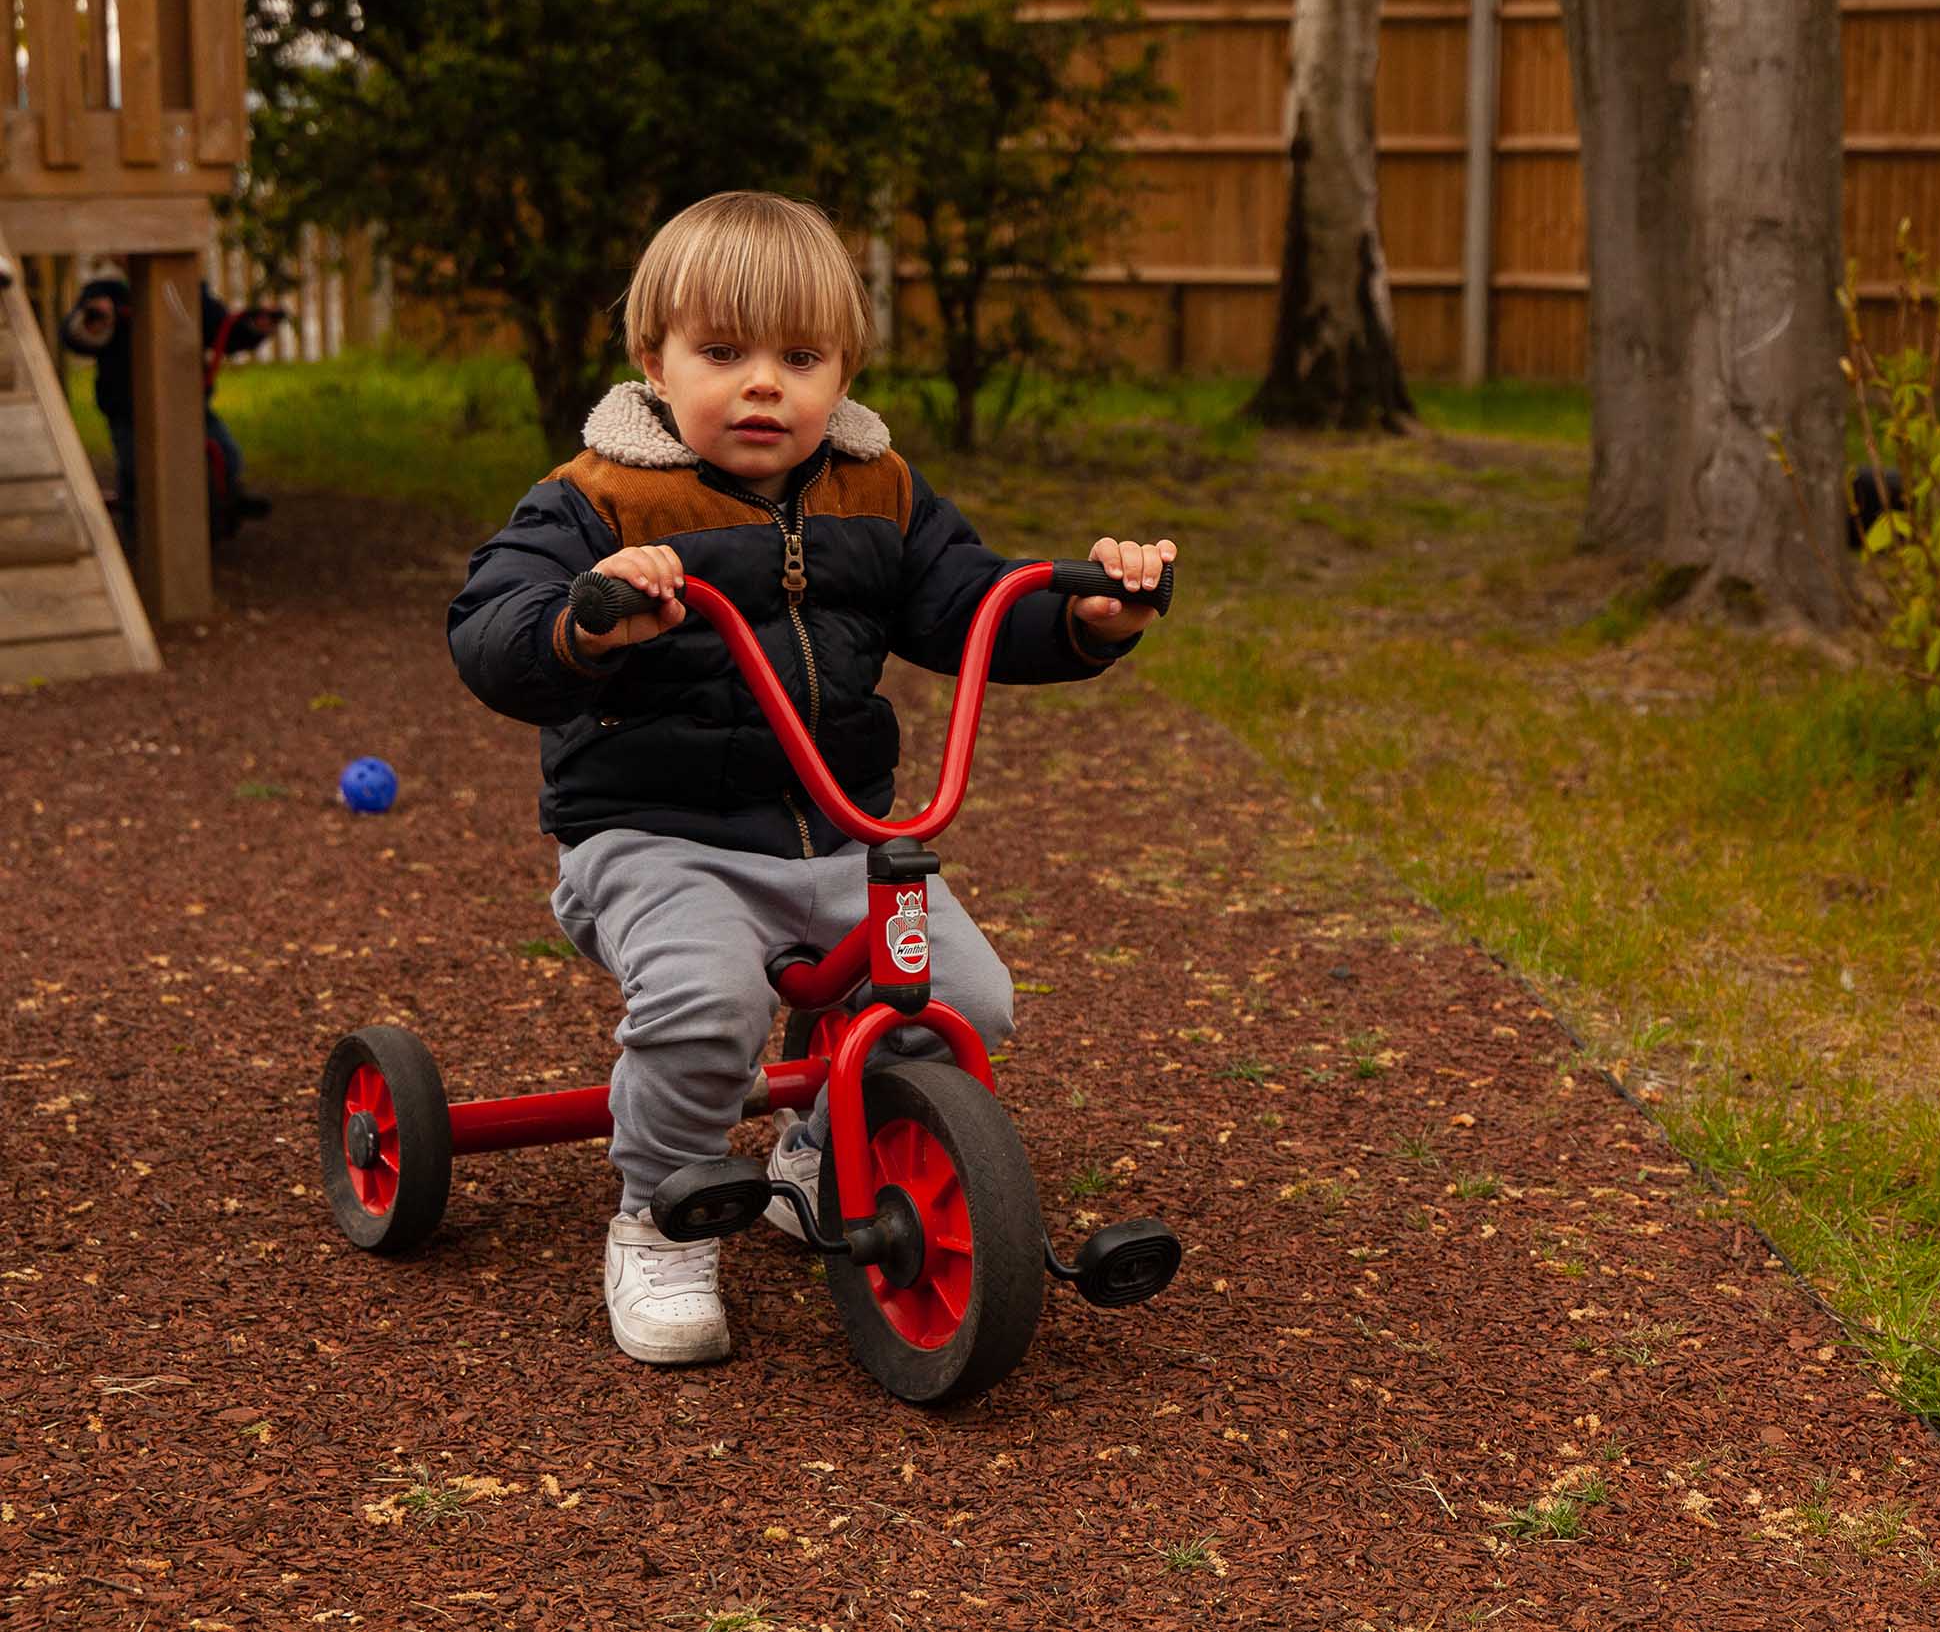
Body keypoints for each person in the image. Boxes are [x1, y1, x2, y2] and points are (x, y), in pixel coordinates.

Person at [445, 191, 1177, 1366]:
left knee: (963, 1002)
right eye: (722, 354)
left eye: (800, 357)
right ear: (654, 360)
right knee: (707, 1011)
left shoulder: (875, 491)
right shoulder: (596, 499)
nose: (763, 386)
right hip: (655, 837)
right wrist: (585, 626)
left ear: (844, 370)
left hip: (837, 840)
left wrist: (1086, 615)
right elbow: (492, 627)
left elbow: (965, 600)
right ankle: (658, 1222)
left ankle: (821, 1147)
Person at [58, 272, 285, 552]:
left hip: (186, 403)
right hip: (129, 409)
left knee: (226, 454)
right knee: (138, 468)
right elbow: (77, 334)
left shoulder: (186, 290)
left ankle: (226, 501)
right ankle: (139, 525)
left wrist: (253, 327)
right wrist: (96, 321)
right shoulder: (106, 293)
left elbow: (222, 331)